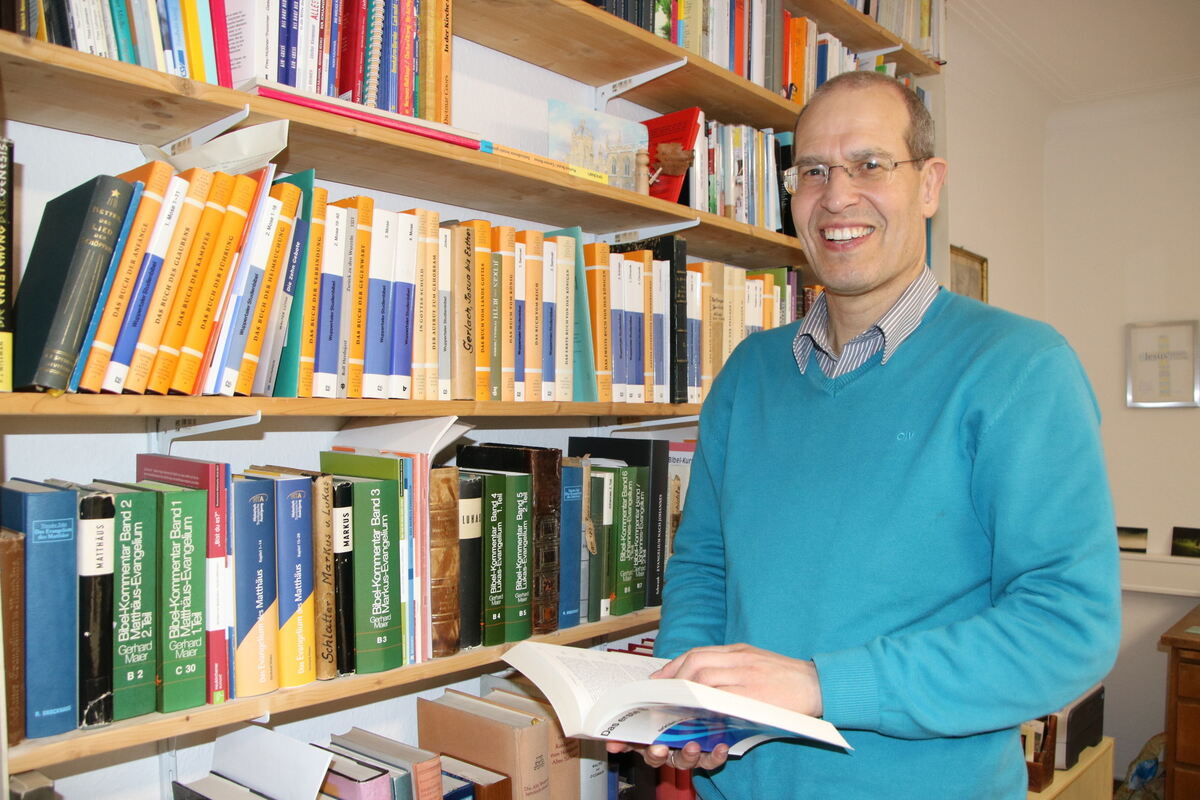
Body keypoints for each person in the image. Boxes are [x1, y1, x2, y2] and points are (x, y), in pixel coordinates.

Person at [607, 71, 1122, 799]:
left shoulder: (1022, 367)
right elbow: (705, 566)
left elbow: (1066, 627)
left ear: (930, 185)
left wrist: (824, 685)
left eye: (870, 164)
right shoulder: (749, 372)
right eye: (813, 171)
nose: (837, 196)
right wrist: (688, 702)